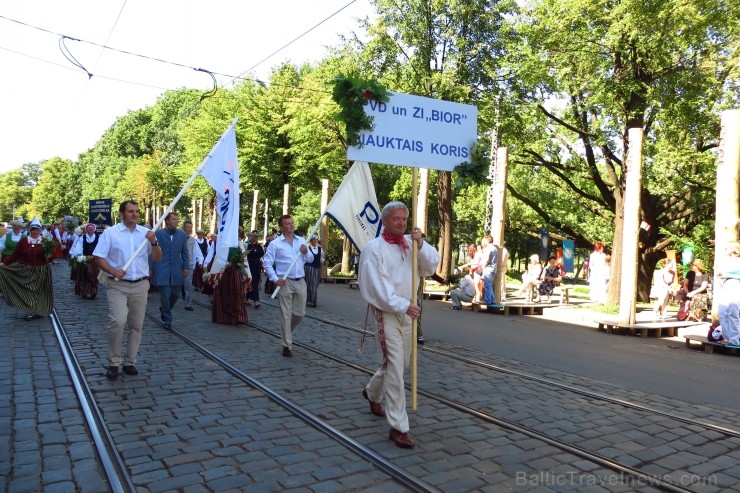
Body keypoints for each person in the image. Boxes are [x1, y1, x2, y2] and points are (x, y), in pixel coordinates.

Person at [359, 201, 440, 449]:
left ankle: (372, 392)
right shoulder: (373, 248)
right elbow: (377, 286)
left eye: (404, 219)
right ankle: (398, 427)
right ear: (384, 220)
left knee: (400, 363)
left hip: (410, 312)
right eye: (396, 218)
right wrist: (402, 305)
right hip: (387, 311)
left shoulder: (410, 244)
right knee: (395, 366)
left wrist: (422, 244)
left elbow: (430, 267)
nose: (401, 223)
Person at [93, 200, 161, 380]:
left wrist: (154, 243)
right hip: (117, 285)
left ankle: (130, 362)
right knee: (117, 321)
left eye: (137, 211)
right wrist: (113, 270)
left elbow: (157, 258)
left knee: (136, 325)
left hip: (140, 285)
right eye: (131, 211)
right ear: (122, 214)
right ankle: (113, 362)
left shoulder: (146, 234)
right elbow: (99, 257)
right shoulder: (111, 233)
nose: (135, 214)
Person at [263, 215, 314, 357]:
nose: (291, 225)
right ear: (282, 227)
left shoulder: (302, 241)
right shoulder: (275, 244)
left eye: (292, 223)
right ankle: (287, 345)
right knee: (286, 315)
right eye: (287, 224)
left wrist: (306, 252)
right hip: (285, 281)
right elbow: (267, 263)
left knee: (300, 313)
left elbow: (309, 259)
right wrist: (275, 279)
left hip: (301, 281)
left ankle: (286, 333)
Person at [0, 218, 53, 320]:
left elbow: (50, 255)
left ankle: (37, 310)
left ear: (40, 231)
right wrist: (4, 263)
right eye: (33, 230)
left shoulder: (45, 242)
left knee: (39, 291)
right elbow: (15, 255)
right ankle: (30, 311)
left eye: (37, 230)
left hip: (41, 270)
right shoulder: (24, 241)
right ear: (30, 230)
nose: (35, 232)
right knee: (29, 290)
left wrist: (49, 255)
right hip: (26, 269)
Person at [152, 212, 190, 330]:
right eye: (174, 219)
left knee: (175, 294)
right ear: (167, 221)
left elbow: (184, 252)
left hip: (176, 269)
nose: (176, 221)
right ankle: (168, 320)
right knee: (165, 295)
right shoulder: (158, 233)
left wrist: (185, 267)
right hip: (162, 268)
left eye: (177, 219)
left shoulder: (182, 235)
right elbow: (152, 252)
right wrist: (151, 268)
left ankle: (165, 309)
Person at [68, 223, 101, 299]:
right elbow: (79, 247)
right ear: (86, 230)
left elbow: (100, 248)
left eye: (92, 229)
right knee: (84, 276)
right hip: (84, 258)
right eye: (89, 229)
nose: (90, 230)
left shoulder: (98, 237)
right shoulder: (82, 238)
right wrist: (79, 256)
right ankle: (84, 291)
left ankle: (93, 291)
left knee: (94, 276)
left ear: (94, 230)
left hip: (94, 259)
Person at [717, 242, 740, 347]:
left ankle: (735, 339)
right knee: (722, 312)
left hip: (736, 287)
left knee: (733, 312)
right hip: (725, 287)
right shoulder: (726, 261)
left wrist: (728, 275)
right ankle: (727, 338)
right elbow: (721, 273)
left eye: (727, 248)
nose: (724, 250)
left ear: (734, 249)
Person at [181, 220, 202, 312]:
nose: (189, 229)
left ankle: (188, 304)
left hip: (189, 265)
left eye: (190, 227)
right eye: (187, 227)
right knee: (174, 286)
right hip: (176, 264)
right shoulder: (178, 237)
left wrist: (200, 261)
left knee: (188, 285)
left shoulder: (193, 240)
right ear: (183, 228)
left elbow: (197, 252)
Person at [245, 231, 265, 309]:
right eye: (255, 237)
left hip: (257, 266)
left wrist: (263, 264)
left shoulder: (259, 246)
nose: (256, 238)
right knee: (250, 281)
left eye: (257, 237)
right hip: (249, 265)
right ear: (251, 237)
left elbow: (262, 255)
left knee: (255, 282)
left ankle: (248, 298)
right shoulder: (247, 245)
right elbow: (244, 255)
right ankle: (256, 300)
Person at [305, 234, 324, 307]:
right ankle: (307, 300)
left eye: (316, 240)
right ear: (311, 240)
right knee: (308, 283)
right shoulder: (308, 247)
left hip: (317, 268)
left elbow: (321, 258)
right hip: (309, 268)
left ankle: (313, 300)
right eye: (314, 240)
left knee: (315, 284)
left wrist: (324, 262)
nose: (315, 241)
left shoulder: (320, 249)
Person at [481, 235, 498, 305]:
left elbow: (487, 259)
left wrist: (483, 267)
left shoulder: (488, 248)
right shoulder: (495, 248)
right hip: (493, 269)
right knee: (489, 285)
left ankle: (487, 300)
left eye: (484, 241)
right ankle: (493, 299)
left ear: (487, 241)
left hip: (488, 269)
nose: (483, 242)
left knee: (487, 285)